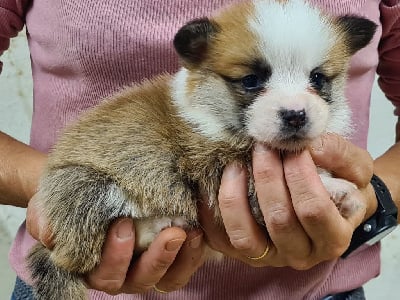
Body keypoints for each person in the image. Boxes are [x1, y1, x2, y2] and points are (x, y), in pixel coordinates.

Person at [0, 0, 399, 299]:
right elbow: (238, 188)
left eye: (317, 78)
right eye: (250, 81)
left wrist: (375, 195)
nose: (295, 107)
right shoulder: (196, 124)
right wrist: (53, 191)